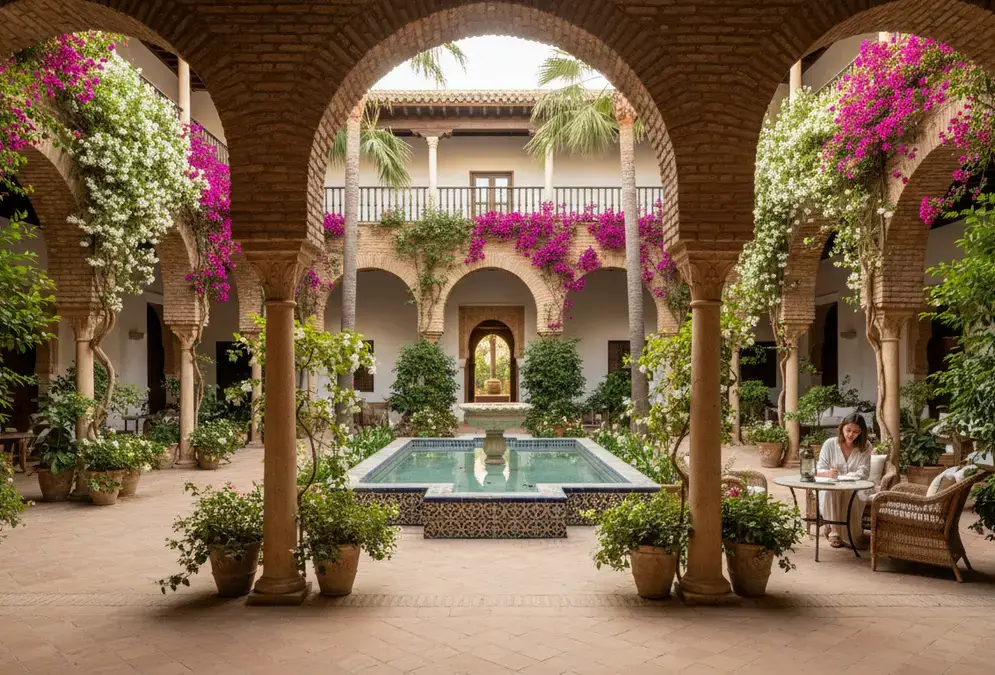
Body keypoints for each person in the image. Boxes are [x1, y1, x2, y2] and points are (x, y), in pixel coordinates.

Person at [816, 413, 872, 549]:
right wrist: (828, 473)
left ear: (861, 432)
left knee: (849, 493)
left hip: (855, 485)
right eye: (848, 430)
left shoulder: (865, 446)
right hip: (832, 484)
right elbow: (818, 469)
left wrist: (846, 478)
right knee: (833, 491)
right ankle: (835, 532)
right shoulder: (830, 444)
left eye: (856, 432)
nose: (851, 434)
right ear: (842, 428)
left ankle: (851, 534)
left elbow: (863, 472)